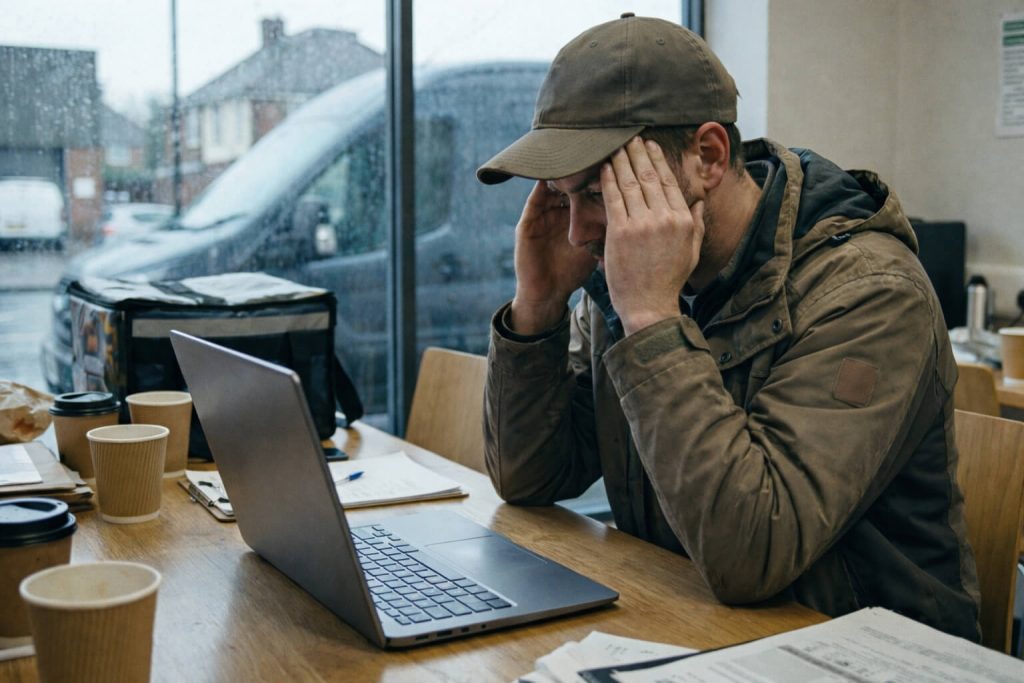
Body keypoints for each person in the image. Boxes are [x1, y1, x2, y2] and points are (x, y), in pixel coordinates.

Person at [475, 14, 980, 639]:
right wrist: (539, 305)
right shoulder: (626, 274)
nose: (578, 233)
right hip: (693, 627)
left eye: (601, 193)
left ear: (707, 157)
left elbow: (752, 553)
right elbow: (532, 479)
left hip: (864, 652)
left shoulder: (870, 293)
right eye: (561, 196)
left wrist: (652, 320)